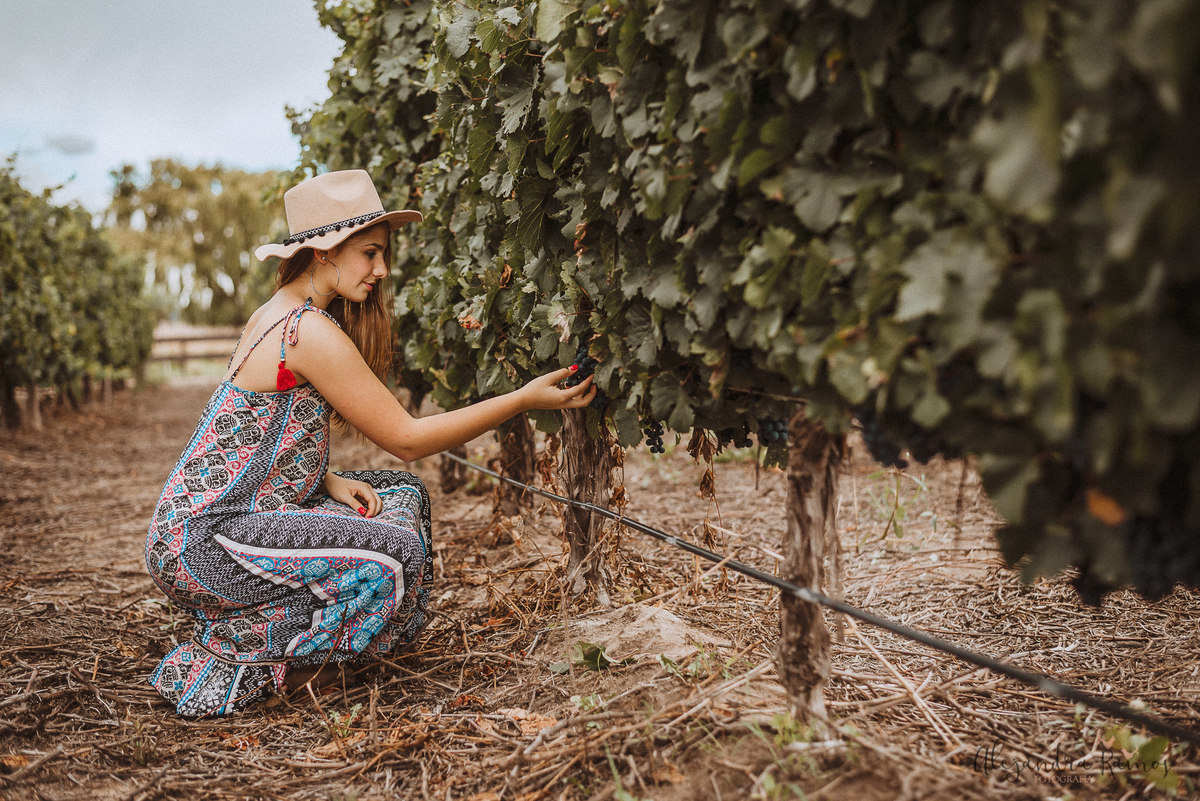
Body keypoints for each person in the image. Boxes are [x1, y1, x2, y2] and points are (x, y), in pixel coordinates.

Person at [144, 170, 595, 716]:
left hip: (212, 522)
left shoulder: (274, 313)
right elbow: (406, 438)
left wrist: (325, 478)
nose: (382, 270)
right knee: (395, 553)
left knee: (401, 498)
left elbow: (249, 433)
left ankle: (264, 625)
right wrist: (521, 400)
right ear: (325, 251)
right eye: (370, 253)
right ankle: (284, 664)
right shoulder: (306, 331)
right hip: (204, 543)